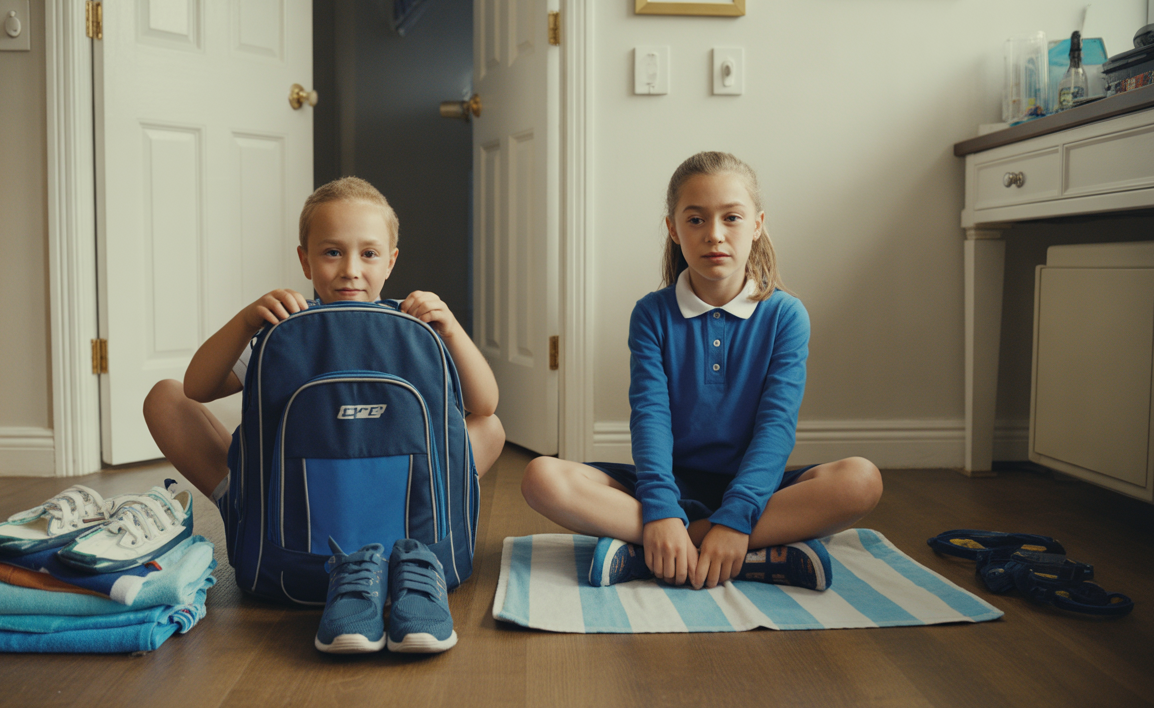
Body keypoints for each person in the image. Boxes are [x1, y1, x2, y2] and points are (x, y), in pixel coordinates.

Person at [521, 151, 882, 591]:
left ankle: (662, 551)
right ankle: (737, 552)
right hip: (668, 485)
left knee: (860, 481)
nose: (714, 234)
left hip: (758, 490)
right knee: (542, 478)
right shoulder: (651, 315)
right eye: (696, 220)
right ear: (673, 229)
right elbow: (650, 418)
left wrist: (736, 517)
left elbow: (776, 427)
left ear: (757, 224)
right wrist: (661, 510)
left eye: (732, 218)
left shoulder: (786, 316)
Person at [144, 176, 506, 513]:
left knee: (490, 428)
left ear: (390, 263)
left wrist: (451, 329)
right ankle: (247, 510)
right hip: (295, 493)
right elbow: (197, 388)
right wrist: (246, 321)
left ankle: (423, 514)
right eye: (333, 252)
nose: (350, 269)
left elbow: (485, 404)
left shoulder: (414, 327)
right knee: (165, 398)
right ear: (305, 261)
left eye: (369, 254)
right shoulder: (285, 328)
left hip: (394, 485)